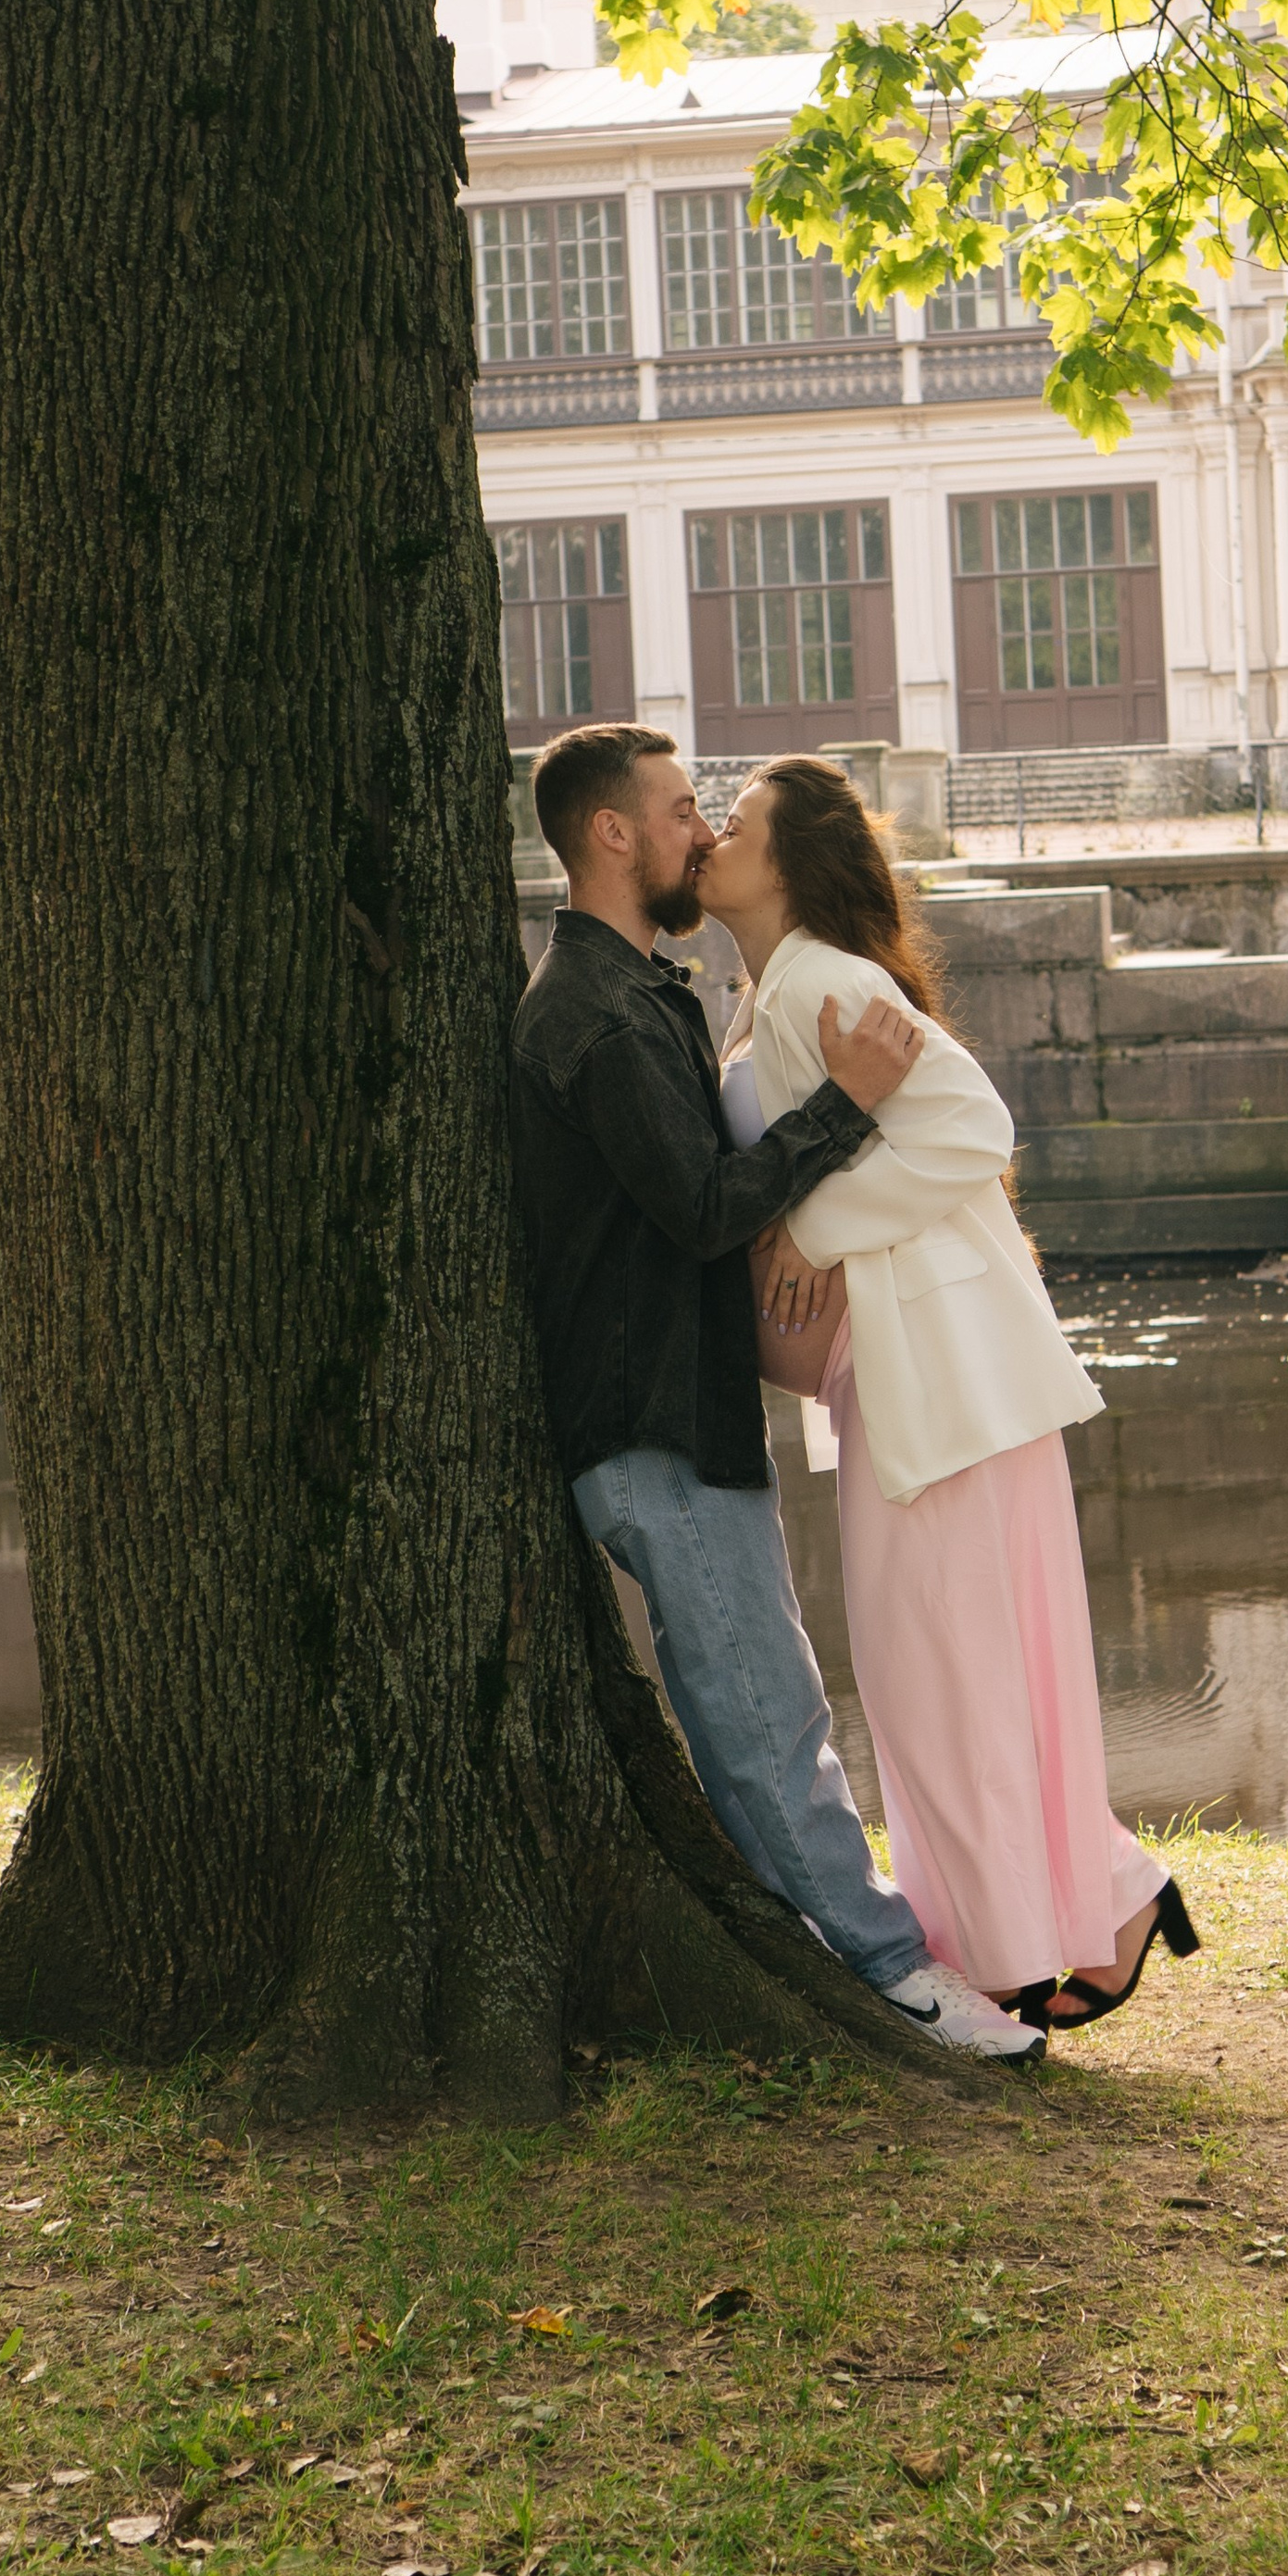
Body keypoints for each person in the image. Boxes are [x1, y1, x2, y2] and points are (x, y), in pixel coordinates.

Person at [509, 721, 1044, 2063]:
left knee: (756, 1702)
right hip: (649, 1426)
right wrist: (845, 1109)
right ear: (615, 834)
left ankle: (820, 1958)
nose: (701, 831)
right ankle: (893, 1978)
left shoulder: (646, 995)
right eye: (683, 809)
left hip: (680, 1417)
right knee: (766, 1714)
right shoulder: (593, 1010)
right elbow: (698, 1206)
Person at [696, 755, 1198, 2034]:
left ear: (795, 857)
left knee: (944, 1674)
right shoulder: (768, 996)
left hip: (940, 1376)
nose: (710, 835)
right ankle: (1096, 1902)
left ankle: (1035, 1937)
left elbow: (972, 1127)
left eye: (736, 822)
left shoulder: (830, 982)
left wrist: (815, 1236)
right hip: (904, 1381)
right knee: (958, 1671)